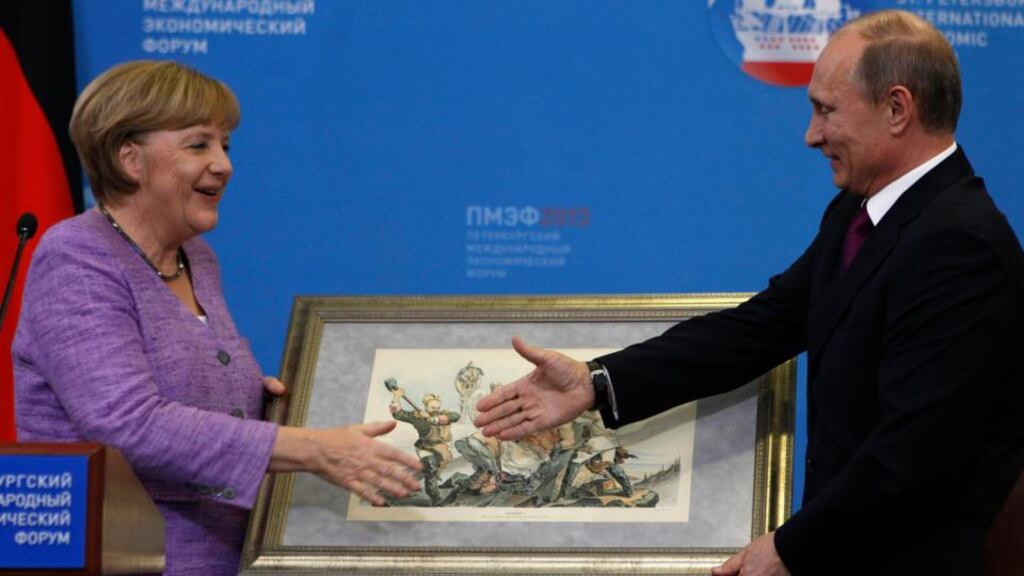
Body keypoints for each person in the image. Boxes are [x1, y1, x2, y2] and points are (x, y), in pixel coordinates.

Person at [475, 10, 1024, 575]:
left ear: (897, 109)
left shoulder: (961, 246)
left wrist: (792, 548)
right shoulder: (858, 214)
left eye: (826, 110)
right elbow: (759, 328)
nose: (812, 135)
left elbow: (914, 453)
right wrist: (596, 382)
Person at [12, 61, 421, 576]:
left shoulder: (197, 259)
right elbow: (126, 422)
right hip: (124, 556)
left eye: (225, 145)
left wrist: (269, 401)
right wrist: (310, 448)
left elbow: (192, 399)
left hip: (226, 555)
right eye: (199, 144)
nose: (224, 164)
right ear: (129, 157)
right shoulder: (77, 256)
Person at [388, 385, 460, 505]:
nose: (436, 410)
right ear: (426, 407)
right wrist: (396, 397)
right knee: (431, 466)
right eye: (432, 407)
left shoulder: (443, 414)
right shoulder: (417, 417)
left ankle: (402, 485)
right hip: (425, 447)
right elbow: (398, 414)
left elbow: (456, 416)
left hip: (441, 448)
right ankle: (435, 498)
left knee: (425, 468)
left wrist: (436, 419)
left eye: (438, 407)